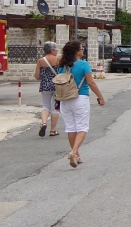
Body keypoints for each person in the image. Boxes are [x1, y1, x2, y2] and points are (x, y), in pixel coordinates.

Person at [57, 40, 105, 168]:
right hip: (80, 98)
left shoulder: (63, 66)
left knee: (71, 128)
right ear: (77, 52)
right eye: (82, 48)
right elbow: (91, 83)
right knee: (82, 127)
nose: (83, 50)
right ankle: (73, 152)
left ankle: (77, 155)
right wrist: (100, 97)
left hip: (65, 99)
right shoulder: (84, 64)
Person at [34, 41, 61, 137]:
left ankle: (44, 123)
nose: (57, 50)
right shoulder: (58, 60)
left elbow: (37, 76)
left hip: (45, 86)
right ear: (52, 50)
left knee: (45, 106)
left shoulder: (41, 61)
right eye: (56, 49)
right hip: (57, 86)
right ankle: (52, 130)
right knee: (56, 108)